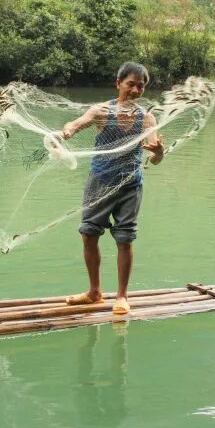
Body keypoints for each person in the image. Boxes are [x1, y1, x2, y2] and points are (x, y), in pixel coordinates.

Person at [60, 62, 164, 315]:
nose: (135, 90)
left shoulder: (146, 118)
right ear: (118, 83)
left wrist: (159, 152)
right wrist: (67, 131)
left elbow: (155, 157)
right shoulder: (101, 112)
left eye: (141, 86)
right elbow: (76, 123)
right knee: (89, 233)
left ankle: (122, 296)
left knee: (125, 239)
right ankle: (94, 292)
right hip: (100, 181)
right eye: (131, 84)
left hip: (130, 185)